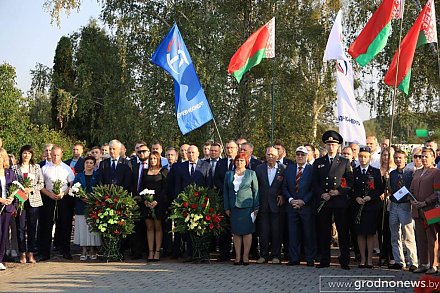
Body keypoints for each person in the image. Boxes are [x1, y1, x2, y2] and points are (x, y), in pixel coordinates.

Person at [313, 130, 353, 270]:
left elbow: (349, 181)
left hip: (339, 201)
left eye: (333, 144)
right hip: (324, 201)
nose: (331, 147)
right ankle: (324, 260)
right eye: (329, 144)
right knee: (324, 231)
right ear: (325, 146)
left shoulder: (344, 162)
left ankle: (344, 260)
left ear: (338, 146)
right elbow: (315, 182)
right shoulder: (319, 162)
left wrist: (339, 191)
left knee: (342, 231)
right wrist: (321, 193)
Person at [169, 145, 210, 260]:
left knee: (199, 228)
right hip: (185, 203)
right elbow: (178, 185)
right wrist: (177, 201)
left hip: (200, 202)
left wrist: (206, 201)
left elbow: (208, 184)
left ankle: (200, 252)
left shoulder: (205, 166)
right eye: (189, 152)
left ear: (198, 153)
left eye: (193, 152)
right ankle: (189, 253)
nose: (190, 155)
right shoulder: (181, 167)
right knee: (186, 229)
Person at [39, 146, 75, 260]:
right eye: (53, 155)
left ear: (61, 155)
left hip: (63, 198)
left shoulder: (67, 168)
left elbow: (72, 184)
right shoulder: (44, 168)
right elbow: (40, 185)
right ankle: (44, 252)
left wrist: (64, 193)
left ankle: (65, 251)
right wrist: (49, 194)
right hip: (48, 198)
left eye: (57, 155)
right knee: (46, 225)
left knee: (65, 224)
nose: (55, 157)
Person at [223, 151, 259, 265]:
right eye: (237, 160)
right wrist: (227, 207)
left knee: (247, 232)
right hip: (234, 207)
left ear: (246, 162)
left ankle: (245, 257)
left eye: (242, 160)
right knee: (236, 232)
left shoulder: (251, 173)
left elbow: (256, 191)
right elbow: (225, 191)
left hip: (247, 207)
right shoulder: (229, 174)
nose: (239, 162)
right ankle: (238, 257)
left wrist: (256, 207)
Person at [351, 147, 384, 268]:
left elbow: (379, 188)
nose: (363, 159)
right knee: (360, 233)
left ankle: (369, 259)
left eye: (365, 156)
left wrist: (371, 197)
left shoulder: (375, 172)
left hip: (371, 206)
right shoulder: (354, 172)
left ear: (370, 158)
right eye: (360, 156)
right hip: (358, 206)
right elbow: (349, 187)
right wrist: (356, 197)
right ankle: (362, 259)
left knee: (370, 233)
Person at [283, 146, 316, 266]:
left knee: (308, 233)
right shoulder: (289, 169)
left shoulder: (312, 169)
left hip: (306, 206)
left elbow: (313, 188)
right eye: (298, 154)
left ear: (307, 156)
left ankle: (310, 258)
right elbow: (284, 186)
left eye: (302, 154)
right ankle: (294, 258)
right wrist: (291, 200)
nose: (300, 157)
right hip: (291, 206)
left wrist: (303, 201)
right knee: (293, 234)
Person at [12, 145, 44, 264]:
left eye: (29, 153)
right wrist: (20, 191)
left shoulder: (36, 167)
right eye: (25, 153)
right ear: (21, 154)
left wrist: (30, 189)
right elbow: (12, 184)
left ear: (32, 155)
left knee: (32, 227)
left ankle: (31, 253)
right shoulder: (15, 168)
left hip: (34, 200)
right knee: (20, 228)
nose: (27, 156)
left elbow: (41, 184)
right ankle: (22, 253)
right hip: (20, 200)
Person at [410, 147, 440, 274]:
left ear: (433, 158)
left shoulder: (436, 172)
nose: (423, 159)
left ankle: (434, 264)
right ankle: (423, 263)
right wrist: (412, 200)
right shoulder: (416, 172)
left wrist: (425, 202)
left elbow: (437, 192)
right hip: (417, 210)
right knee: (420, 238)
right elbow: (411, 189)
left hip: (432, 210)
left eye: (426, 156)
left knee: (432, 238)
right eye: (422, 156)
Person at [388, 149, 418, 271]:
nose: (398, 160)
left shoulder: (411, 172)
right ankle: (399, 261)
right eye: (396, 158)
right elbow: (391, 188)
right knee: (395, 235)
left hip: (406, 205)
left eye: (400, 158)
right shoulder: (392, 173)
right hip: (394, 205)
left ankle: (413, 262)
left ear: (405, 159)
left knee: (408, 235)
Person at [255, 147, 285, 264]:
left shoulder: (283, 169)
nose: (270, 157)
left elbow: (286, 184)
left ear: (277, 156)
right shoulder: (259, 169)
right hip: (263, 205)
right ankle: (263, 255)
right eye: (268, 154)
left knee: (276, 231)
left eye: (272, 154)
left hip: (277, 205)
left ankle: (276, 255)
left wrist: (282, 195)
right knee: (263, 231)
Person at [213, 140, 239, 262]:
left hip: (238, 199)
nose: (230, 150)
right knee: (224, 228)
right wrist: (225, 188)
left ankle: (238, 253)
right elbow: (216, 178)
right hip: (224, 198)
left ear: (237, 149)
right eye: (228, 147)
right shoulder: (221, 163)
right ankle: (224, 253)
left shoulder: (241, 161)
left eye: (232, 147)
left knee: (238, 228)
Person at [140, 151, 168, 262]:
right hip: (147, 204)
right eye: (151, 159)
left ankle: (157, 252)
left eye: (154, 159)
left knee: (158, 227)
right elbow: (141, 187)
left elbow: (165, 189)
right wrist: (145, 201)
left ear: (158, 160)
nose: (152, 161)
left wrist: (157, 201)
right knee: (149, 228)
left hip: (158, 204)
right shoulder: (145, 171)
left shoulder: (163, 172)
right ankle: (150, 252)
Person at [72, 156, 101, 261]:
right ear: (84, 164)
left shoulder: (97, 176)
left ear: (94, 165)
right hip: (81, 205)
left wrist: (92, 197)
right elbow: (74, 188)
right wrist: (82, 196)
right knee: (83, 229)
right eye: (87, 163)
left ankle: (93, 250)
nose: (89, 165)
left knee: (92, 229)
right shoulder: (79, 176)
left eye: (91, 163)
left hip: (93, 205)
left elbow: (100, 189)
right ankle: (84, 250)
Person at [377, 147, 396, 267]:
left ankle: (392, 255)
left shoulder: (393, 170)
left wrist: (388, 192)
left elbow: (395, 188)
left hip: (390, 203)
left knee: (390, 230)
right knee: (380, 229)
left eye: (388, 155)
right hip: (379, 203)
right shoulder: (377, 170)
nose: (386, 158)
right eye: (384, 155)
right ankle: (382, 254)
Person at [0, 148, 16, 270]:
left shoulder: (10, 173)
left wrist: (14, 199)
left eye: (1, 157)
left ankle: (0, 259)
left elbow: (18, 189)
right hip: (0, 203)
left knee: (4, 234)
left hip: (8, 208)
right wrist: (0, 199)